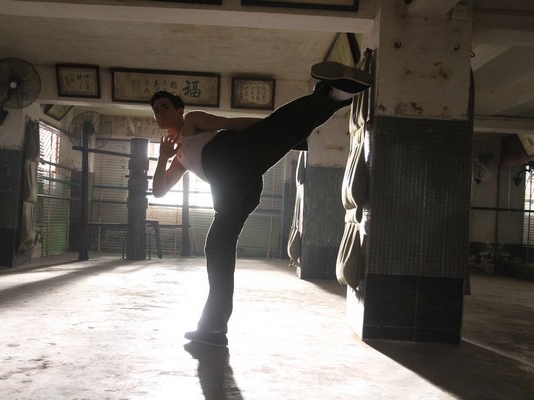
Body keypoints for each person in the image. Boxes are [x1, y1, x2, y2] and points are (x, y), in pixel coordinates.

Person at [150, 61, 372, 347]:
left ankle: (331, 97)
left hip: (233, 157)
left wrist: (271, 130)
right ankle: (213, 328)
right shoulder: (177, 157)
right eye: (156, 110)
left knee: (269, 131)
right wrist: (163, 158)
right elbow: (159, 191)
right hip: (233, 188)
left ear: (179, 110)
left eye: (165, 107)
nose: (161, 113)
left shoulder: (192, 122)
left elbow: (231, 125)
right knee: (216, 247)